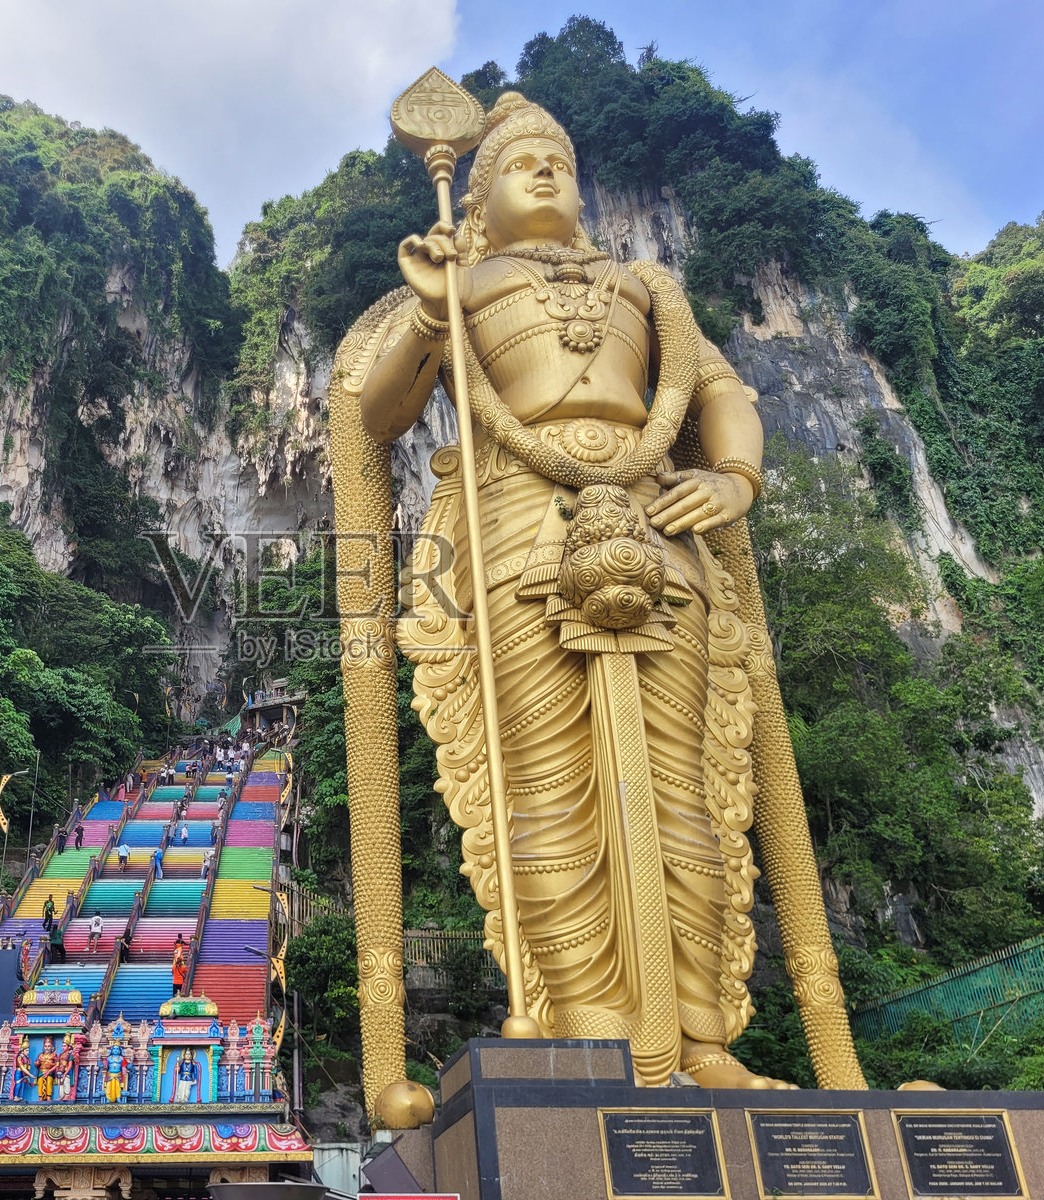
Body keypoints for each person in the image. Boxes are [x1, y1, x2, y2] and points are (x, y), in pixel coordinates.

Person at [342, 90, 811, 1089]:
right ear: (479, 198)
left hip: (655, 525)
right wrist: (431, 312)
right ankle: (590, 1018)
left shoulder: (648, 286)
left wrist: (734, 476)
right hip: (518, 527)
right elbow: (376, 412)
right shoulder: (464, 281)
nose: (546, 171)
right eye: (520, 163)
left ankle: (701, 1038)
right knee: (547, 786)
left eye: (559, 157)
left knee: (678, 784)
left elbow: (718, 393)